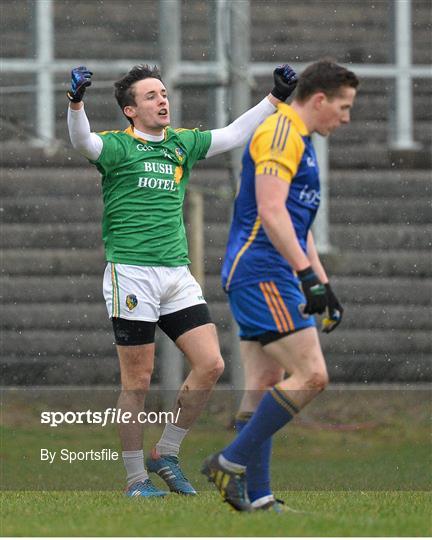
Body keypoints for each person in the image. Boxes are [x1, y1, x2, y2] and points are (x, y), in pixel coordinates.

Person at [66, 62, 298, 497]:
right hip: (131, 275)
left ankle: (165, 452)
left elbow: (231, 134)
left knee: (211, 364)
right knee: (137, 382)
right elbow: (82, 140)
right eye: (151, 96)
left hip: (176, 274)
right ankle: (136, 480)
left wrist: (274, 99)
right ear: (131, 111)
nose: (162, 100)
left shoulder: (180, 144)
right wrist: (76, 102)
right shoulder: (117, 148)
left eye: (164, 94)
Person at [202, 59, 359, 512]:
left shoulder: (301, 140)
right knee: (312, 376)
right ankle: (228, 462)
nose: (346, 118)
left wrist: (322, 284)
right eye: (344, 107)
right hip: (262, 271)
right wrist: (306, 277)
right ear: (319, 99)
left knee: (264, 381)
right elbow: (271, 213)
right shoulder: (280, 132)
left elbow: (298, 223)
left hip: (269, 270)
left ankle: (258, 496)